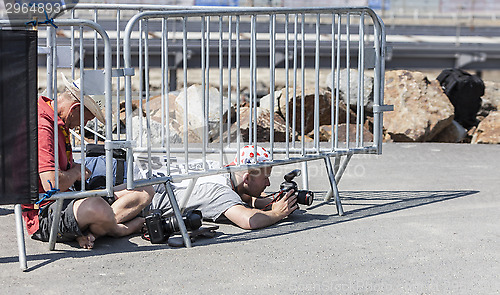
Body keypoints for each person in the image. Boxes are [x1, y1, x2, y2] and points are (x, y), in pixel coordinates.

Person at [22, 73, 153, 249]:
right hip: (46, 213)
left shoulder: (57, 120)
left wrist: (74, 169)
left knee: (145, 189)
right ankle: (117, 230)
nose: (81, 126)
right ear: (75, 108)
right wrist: (75, 172)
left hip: (67, 199)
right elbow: (51, 184)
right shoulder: (42, 126)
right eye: (87, 118)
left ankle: (92, 232)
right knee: (96, 206)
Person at [148, 145, 298, 230]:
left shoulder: (220, 168)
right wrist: (278, 213)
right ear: (246, 178)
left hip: (147, 179)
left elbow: (244, 193)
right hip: (147, 201)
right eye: (265, 178)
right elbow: (249, 220)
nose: (268, 184)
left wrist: (266, 202)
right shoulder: (221, 192)